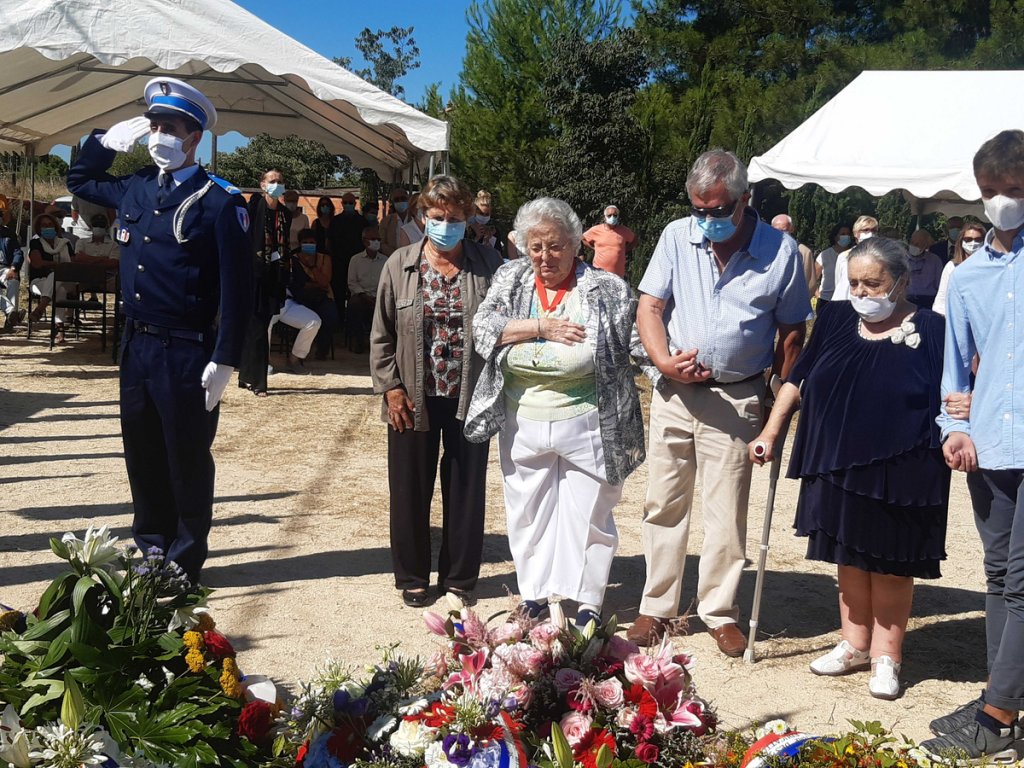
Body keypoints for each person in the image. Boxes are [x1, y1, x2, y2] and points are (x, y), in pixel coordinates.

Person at [67, 76, 251, 585]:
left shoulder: (220, 201)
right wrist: (104, 142)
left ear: (194, 137)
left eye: (169, 127)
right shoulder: (137, 185)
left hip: (187, 349)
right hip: (137, 345)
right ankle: (150, 546)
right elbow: (79, 182)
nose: (158, 135)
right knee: (142, 453)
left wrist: (226, 358)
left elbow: (239, 290)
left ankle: (184, 558)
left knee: (186, 457)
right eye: (153, 126)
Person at [627, 149, 811, 656]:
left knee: (726, 511)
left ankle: (719, 609)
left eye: (717, 209)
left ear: (744, 199)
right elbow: (651, 305)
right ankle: (657, 606)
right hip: (674, 394)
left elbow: (793, 326)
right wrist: (662, 360)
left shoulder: (781, 251)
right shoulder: (675, 236)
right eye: (698, 209)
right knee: (663, 503)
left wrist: (780, 387)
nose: (706, 219)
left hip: (739, 397)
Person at [751, 237, 949, 700]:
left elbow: (956, 390)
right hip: (836, 459)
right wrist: (770, 432)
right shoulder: (837, 319)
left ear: (900, 282)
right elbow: (798, 379)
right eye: (855, 282)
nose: (862, 292)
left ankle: (887, 656)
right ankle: (854, 643)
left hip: (905, 466)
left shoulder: (933, 328)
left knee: (892, 563)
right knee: (848, 556)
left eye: (873, 283)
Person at [464, 198, 645, 628]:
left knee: (589, 511)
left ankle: (585, 601)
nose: (545, 256)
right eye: (536, 247)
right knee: (528, 510)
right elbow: (484, 328)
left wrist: (670, 365)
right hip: (523, 414)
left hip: (588, 417)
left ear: (576, 244)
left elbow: (636, 338)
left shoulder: (607, 288)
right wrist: (540, 327)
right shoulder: (511, 278)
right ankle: (535, 594)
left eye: (556, 246)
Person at [919, 130, 1024, 765]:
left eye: (1014, 191)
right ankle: (1003, 696)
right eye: (991, 193)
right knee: (997, 575)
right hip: (987, 444)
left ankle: (998, 712)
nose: (1001, 204)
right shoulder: (964, 277)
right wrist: (951, 425)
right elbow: (953, 368)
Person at [369, 174, 503, 609]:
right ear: (422, 217)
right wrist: (390, 389)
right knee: (409, 488)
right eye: (437, 216)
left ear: (468, 218)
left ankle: (460, 576)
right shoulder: (399, 264)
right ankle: (412, 575)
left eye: (455, 217)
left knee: (466, 490)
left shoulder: (489, 265)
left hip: (469, 396)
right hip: (412, 398)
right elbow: (381, 335)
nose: (446, 224)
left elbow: (505, 327)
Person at [238, 169, 291, 396]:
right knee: (257, 328)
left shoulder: (285, 214)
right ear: (262, 185)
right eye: (272, 181)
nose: (276, 184)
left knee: (259, 326)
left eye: (279, 181)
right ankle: (259, 381)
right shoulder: (252, 209)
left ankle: (245, 375)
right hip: (253, 274)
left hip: (274, 276)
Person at [267, 227, 325, 375]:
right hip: (269, 302)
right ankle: (263, 361)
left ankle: (294, 360)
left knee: (313, 321)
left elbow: (300, 282)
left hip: (287, 302)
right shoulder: (263, 257)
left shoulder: (292, 259)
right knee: (264, 324)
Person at [27, 212, 75, 342]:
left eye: (49, 224)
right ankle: (60, 329)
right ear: (39, 228)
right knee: (59, 289)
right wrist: (58, 265)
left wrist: (52, 265)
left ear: (55, 226)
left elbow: (72, 264)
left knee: (57, 278)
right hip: (39, 282)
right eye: (43, 225)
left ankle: (40, 308)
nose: (47, 227)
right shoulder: (36, 243)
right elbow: (37, 263)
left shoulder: (65, 243)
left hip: (66, 280)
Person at [932, 221, 987, 316]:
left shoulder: (989, 267)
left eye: (978, 239)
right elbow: (940, 301)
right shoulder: (951, 267)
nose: (973, 243)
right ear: (961, 241)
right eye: (968, 239)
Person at [347, 224, 387, 352]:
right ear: (365, 241)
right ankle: (359, 341)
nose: (376, 242)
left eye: (378, 240)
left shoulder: (386, 260)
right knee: (354, 305)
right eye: (373, 239)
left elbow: (388, 283)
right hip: (362, 296)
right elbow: (352, 282)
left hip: (380, 297)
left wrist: (379, 297)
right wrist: (363, 295)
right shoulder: (355, 260)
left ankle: (384, 343)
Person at [329, 191, 364, 330]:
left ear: (355, 204)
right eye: (346, 203)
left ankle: (353, 325)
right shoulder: (335, 221)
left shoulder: (362, 221)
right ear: (341, 204)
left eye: (351, 203)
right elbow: (330, 242)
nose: (348, 205)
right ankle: (339, 323)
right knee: (338, 292)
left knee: (355, 294)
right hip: (339, 262)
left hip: (358, 263)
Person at [582, 204, 638, 279]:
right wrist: (593, 247)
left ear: (618, 216)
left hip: (618, 275)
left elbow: (635, 240)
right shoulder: (596, 230)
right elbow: (582, 238)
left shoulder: (624, 231)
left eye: (615, 215)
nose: (612, 218)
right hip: (599, 273)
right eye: (609, 215)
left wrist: (625, 249)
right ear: (605, 217)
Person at [771, 213, 818, 300]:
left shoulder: (803, 252)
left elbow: (811, 283)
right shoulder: (766, 250)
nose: (780, 234)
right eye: (776, 230)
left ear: (792, 229)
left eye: (784, 230)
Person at [832, 215, 879, 301]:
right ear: (856, 233)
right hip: (846, 302)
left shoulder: (880, 257)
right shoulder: (844, 257)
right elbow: (838, 282)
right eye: (866, 230)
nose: (871, 233)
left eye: (874, 230)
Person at [815, 224, 852, 311]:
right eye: (843, 234)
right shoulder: (825, 255)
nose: (846, 236)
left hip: (846, 300)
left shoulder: (853, 254)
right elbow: (813, 278)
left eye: (848, 234)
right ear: (835, 237)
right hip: (826, 300)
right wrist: (818, 295)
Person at [905, 229, 945, 309]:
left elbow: (940, 285)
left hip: (928, 301)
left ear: (926, 245)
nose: (914, 246)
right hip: (906, 300)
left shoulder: (935, 260)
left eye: (918, 244)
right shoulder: (901, 258)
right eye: (913, 243)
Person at [0, 219, 25, 330]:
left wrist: (14, 268)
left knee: (13, 282)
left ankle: (10, 319)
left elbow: (18, 252)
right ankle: (12, 312)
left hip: (5, 268)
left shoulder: (9, 234)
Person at [465, 189, 503, 257]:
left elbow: (499, 256)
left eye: (487, 214)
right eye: (481, 213)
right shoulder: (467, 230)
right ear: (474, 212)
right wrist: (477, 237)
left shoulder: (494, 231)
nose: (484, 217)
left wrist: (488, 240)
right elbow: (465, 254)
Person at [380, 187, 413, 256]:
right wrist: (396, 255)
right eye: (396, 200)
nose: (400, 201)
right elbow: (382, 243)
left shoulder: (415, 219)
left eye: (403, 198)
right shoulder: (386, 221)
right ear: (393, 202)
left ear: (408, 200)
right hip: (392, 259)